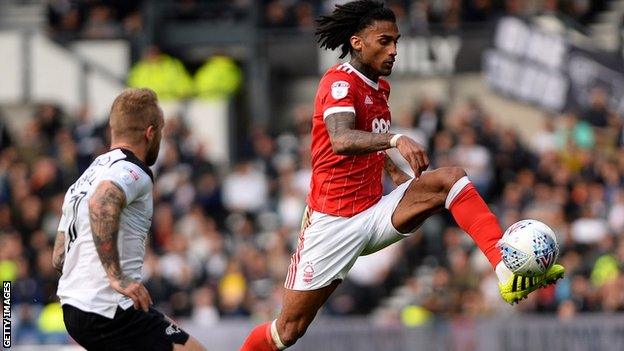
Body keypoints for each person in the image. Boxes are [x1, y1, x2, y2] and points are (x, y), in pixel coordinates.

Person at [239, 1, 565, 350]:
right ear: (357, 42)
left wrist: (394, 170)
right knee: (287, 331)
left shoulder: (380, 87)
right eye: (384, 41)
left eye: (396, 41)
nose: (394, 50)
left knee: (450, 180)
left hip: (374, 210)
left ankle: (504, 269)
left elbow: (368, 139)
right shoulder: (338, 82)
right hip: (332, 224)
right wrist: (397, 139)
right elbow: (342, 139)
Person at [52, 88, 206, 351]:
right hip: (108, 309)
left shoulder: (87, 175)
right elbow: (102, 202)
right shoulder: (132, 169)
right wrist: (116, 277)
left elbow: (59, 257)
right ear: (150, 133)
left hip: (75, 307)